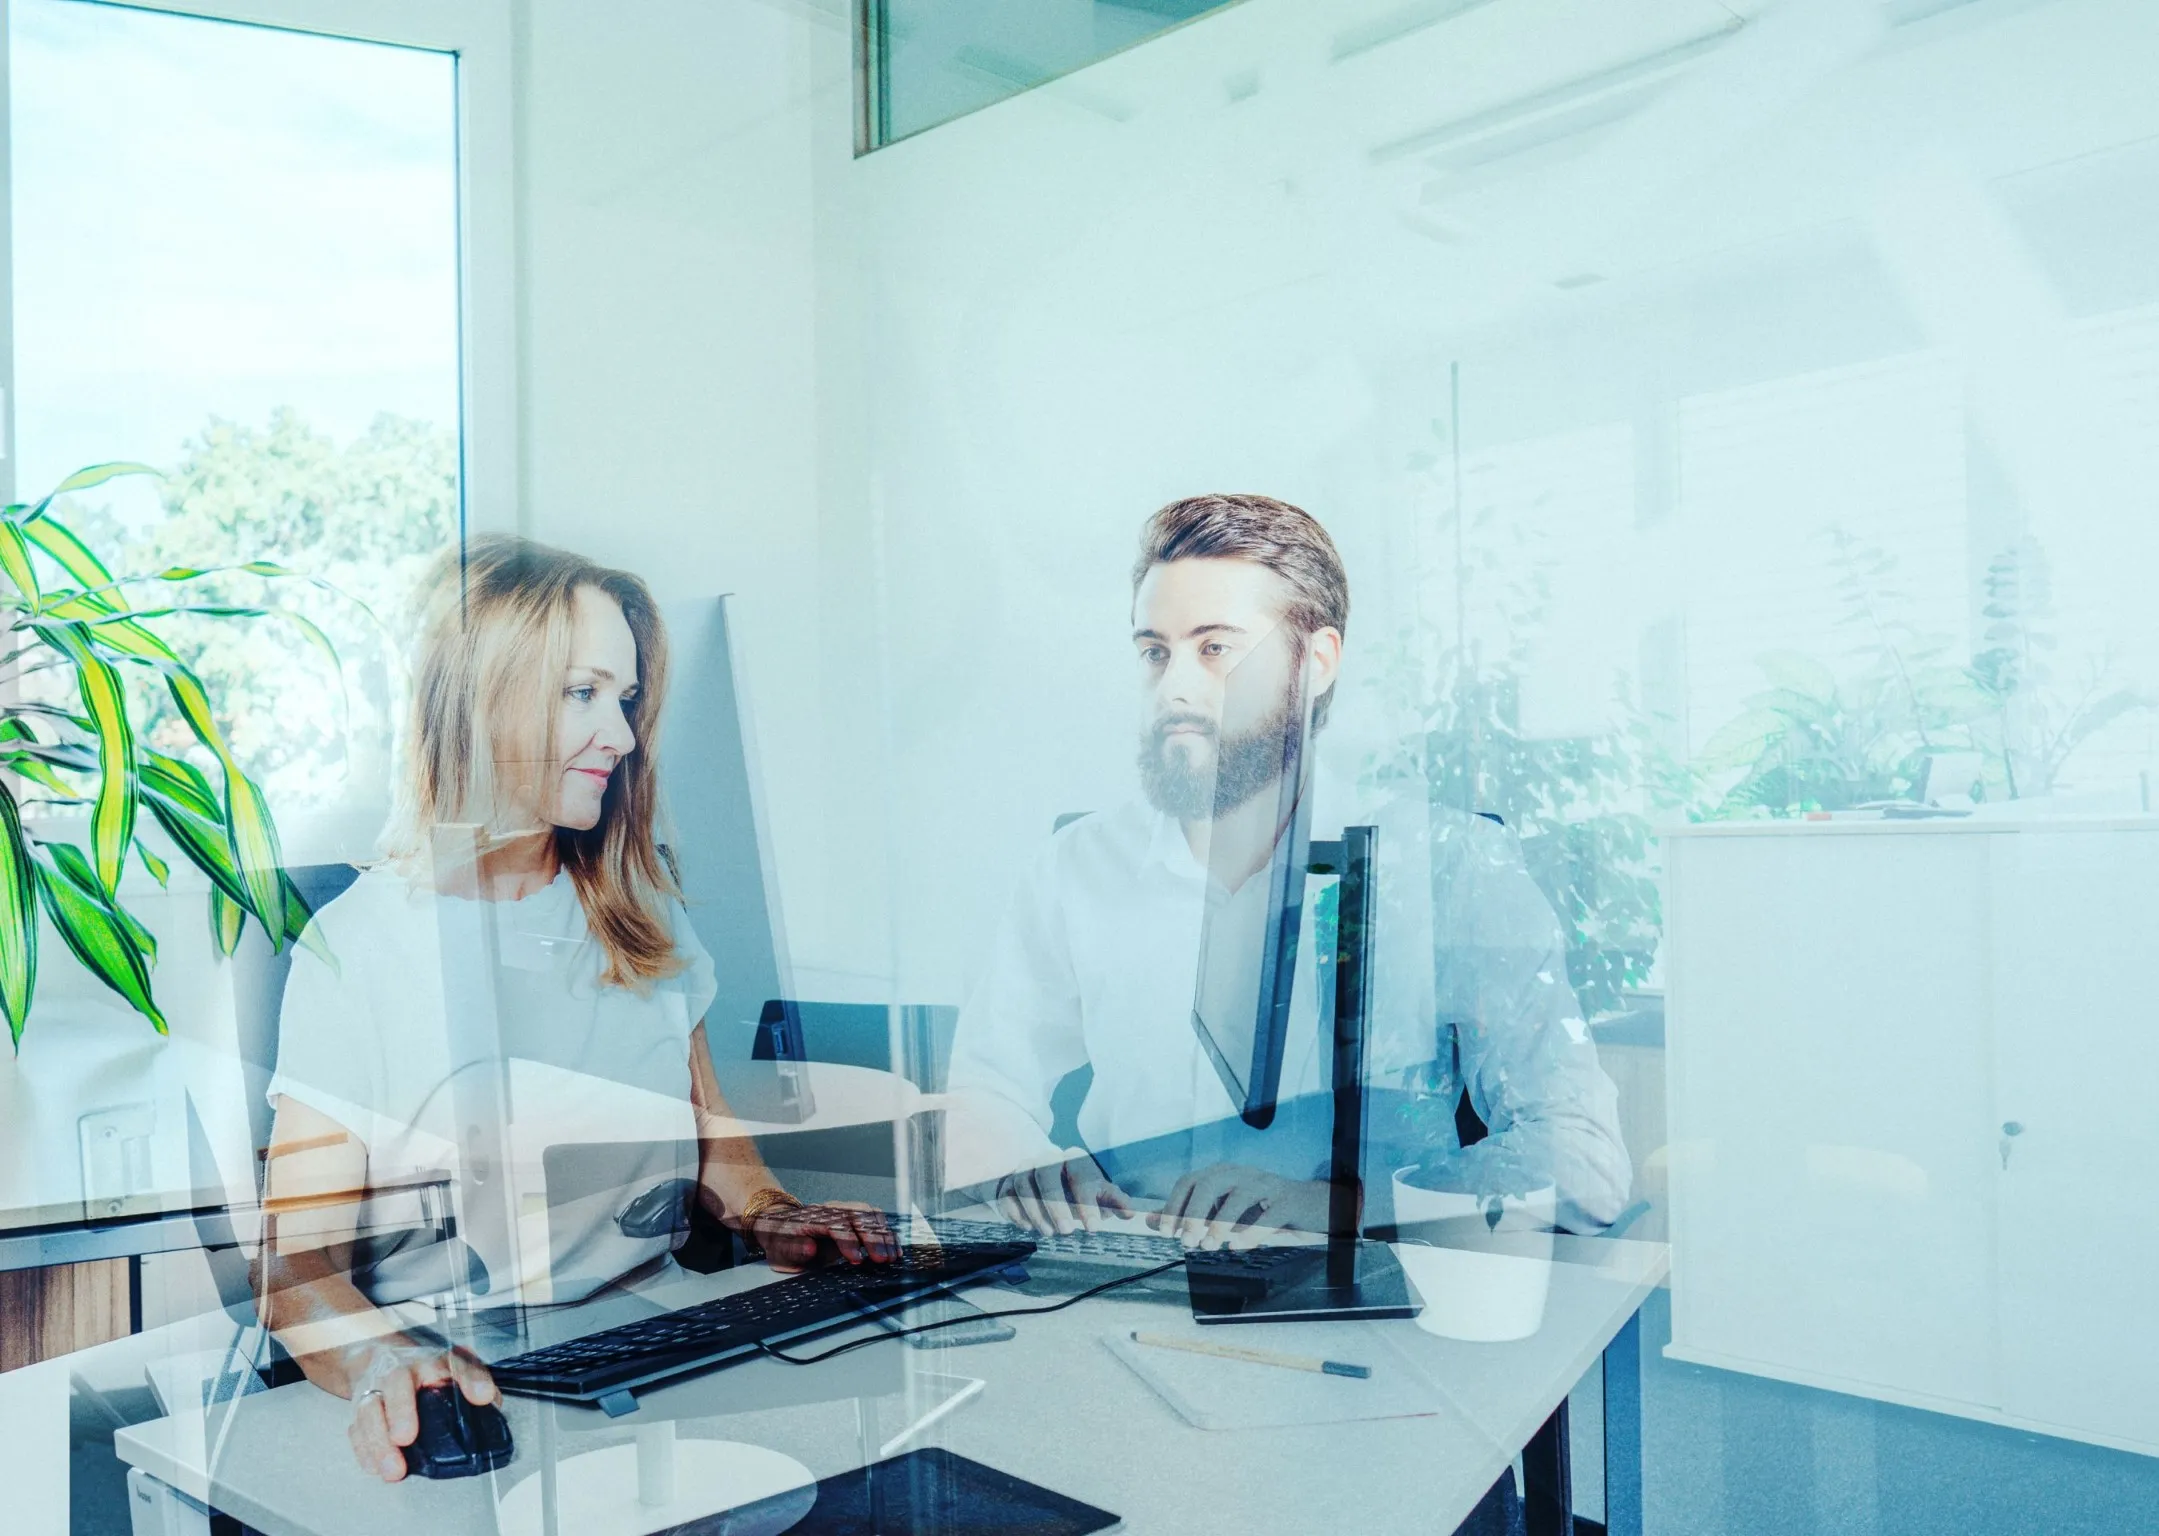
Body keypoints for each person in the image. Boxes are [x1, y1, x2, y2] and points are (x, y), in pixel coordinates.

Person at [254, 536, 892, 1484]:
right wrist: (381, 1361)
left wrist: (779, 1220)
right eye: (581, 693)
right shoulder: (362, 948)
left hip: (664, 1349)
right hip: (474, 1379)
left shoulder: (640, 911)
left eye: (625, 699)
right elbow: (295, 1270)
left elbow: (730, 1167)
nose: (623, 736)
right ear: (480, 694)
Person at [943, 493, 1630, 1243]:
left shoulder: (1443, 866)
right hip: (1125, 1269)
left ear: (1317, 662)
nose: (1173, 685)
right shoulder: (1075, 869)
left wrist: (1349, 1206)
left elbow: (1583, 1162)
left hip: (1364, 1288)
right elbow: (984, 1088)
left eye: (1215, 648)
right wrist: (1025, 1165)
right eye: (1154, 651)